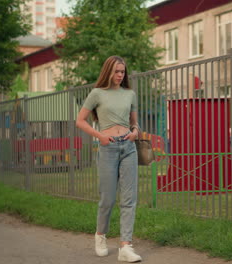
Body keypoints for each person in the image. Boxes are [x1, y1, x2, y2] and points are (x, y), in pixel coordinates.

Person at [76, 56, 142, 262]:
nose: (120, 75)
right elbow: (80, 121)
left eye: (123, 72)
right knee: (108, 198)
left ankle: (125, 246)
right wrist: (100, 136)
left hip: (128, 147)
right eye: (116, 71)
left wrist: (135, 132)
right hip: (108, 147)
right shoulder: (97, 93)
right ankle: (100, 236)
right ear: (108, 71)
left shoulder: (130, 94)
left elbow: (135, 123)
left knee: (129, 199)